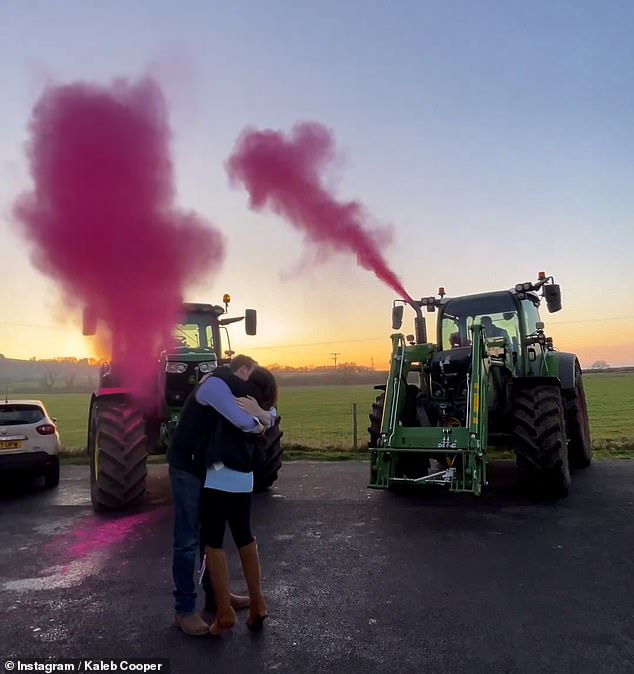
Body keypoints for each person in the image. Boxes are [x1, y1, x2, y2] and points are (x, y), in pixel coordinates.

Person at [167, 354, 268, 636]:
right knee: (188, 539)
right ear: (242, 370)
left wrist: (263, 414)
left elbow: (267, 413)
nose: (250, 387)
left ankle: (217, 598)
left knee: (211, 536)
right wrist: (260, 419)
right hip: (188, 467)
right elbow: (243, 421)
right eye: (250, 377)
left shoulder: (230, 387)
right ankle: (184, 610)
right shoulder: (214, 386)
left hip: (211, 467)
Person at [200, 366, 278, 636]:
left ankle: (224, 613)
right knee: (244, 535)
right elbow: (271, 416)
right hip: (245, 475)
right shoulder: (262, 404)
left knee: (213, 541)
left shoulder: (235, 394)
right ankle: (258, 604)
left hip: (217, 473)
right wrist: (265, 415)